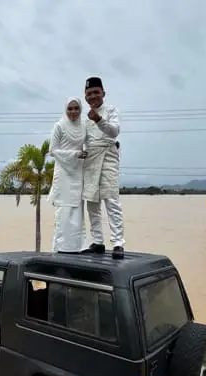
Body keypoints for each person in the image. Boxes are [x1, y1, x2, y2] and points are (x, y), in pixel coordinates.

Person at [81, 76, 125, 259]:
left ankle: (117, 243)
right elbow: (83, 139)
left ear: (103, 93)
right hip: (91, 160)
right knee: (92, 202)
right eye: (89, 94)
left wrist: (99, 119)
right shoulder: (85, 119)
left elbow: (114, 131)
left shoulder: (111, 110)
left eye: (96, 93)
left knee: (111, 200)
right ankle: (98, 241)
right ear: (85, 96)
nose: (92, 96)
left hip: (107, 157)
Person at [48, 97, 88, 253]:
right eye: (70, 109)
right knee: (63, 211)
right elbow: (52, 150)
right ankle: (61, 248)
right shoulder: (59, 126)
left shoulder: (84, 126)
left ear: (80, 110)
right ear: (65, 110)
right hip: (63, 172)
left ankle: (77, 247)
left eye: (76, 108)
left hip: (77, 172)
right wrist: (75, 154)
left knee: (77, 210)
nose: (73, 112)